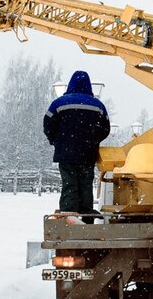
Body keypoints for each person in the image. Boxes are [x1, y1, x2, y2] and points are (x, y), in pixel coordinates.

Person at [44, 70, 110, 221]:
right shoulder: (98, 105)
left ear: (71, 84)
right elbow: (105, 129)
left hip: (65, 153)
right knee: (86, 184)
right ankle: (86, 217)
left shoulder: (59, 103)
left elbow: (48, 125)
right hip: (88, 153)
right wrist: (92, 141)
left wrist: (56, 141)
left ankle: (69, 216)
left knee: (69, 184)